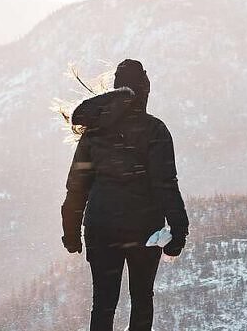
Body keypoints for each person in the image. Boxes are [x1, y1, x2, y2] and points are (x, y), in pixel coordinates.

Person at [61, 59, 189, 331]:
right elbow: (166, 184)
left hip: (101, 229)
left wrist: (71, 232)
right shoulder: (155, 130)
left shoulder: (94, 133)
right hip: (144, 230)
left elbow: (77, 187)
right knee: (142, 298)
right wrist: (179, 230)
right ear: (144, 91)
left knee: (104, 303)